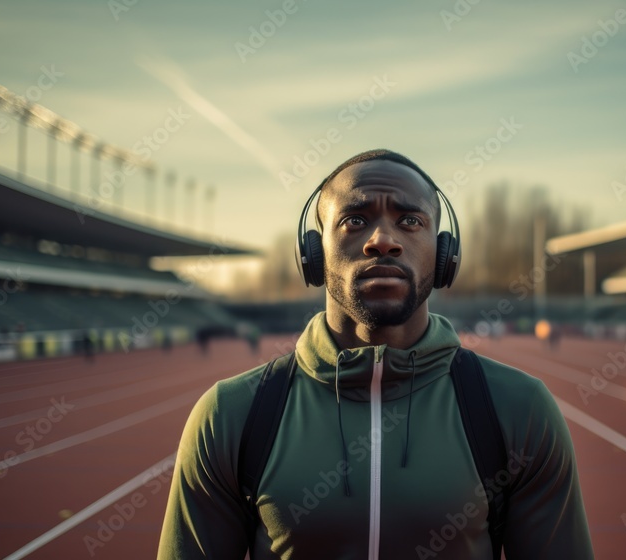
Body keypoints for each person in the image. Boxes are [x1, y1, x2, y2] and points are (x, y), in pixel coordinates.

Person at [158, 149, 594, 559]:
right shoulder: (230, 415)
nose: (383, 240)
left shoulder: (518, 409)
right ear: (313, 252)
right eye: (354, 220)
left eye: (410, 220)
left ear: (444, 253)